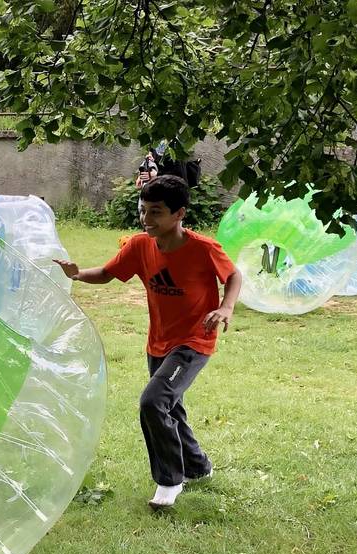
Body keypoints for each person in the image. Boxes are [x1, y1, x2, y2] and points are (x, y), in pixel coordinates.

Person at [53, 175, 242, 509]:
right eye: (143, 210)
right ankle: (198, 467)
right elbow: (109, 273)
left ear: (179, 214)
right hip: (159, 342)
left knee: (153, 402)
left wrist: (225, 307)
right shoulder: (140, 246)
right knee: (171, 406)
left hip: (194, 341)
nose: (146, 219)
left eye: (156, 212)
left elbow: (233, 275)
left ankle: (170, 481)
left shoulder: (202, 248)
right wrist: (78, 274)